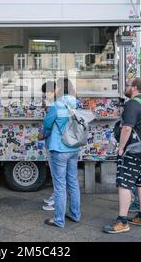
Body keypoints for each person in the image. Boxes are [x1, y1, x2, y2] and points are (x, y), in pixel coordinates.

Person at [104, 78, 141, 234]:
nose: (125, 88)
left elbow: (126, 128)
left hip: (131, 150)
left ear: (135, 88)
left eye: (127, 85)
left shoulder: (132, 104)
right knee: (140, 182)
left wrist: (121, 148)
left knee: (124, 184)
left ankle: (122, 221)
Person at [43, 78, 81, 228]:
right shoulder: (76, 102)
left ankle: (59, 219)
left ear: (59, 89)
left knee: (59, 185)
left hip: (59, 148)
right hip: (74, 148)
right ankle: (75, 214)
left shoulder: (57, 104)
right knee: (73, 182)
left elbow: (47, 124)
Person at [38, 81, 56, 211]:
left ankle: (56, 201)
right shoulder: (64, 103)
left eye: (46, 93)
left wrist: (42, 134)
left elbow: (49, 124)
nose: (45, 96)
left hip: (54, 143)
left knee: (57, 174)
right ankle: (55, 197)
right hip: (61, 145)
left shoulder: (55, 106)